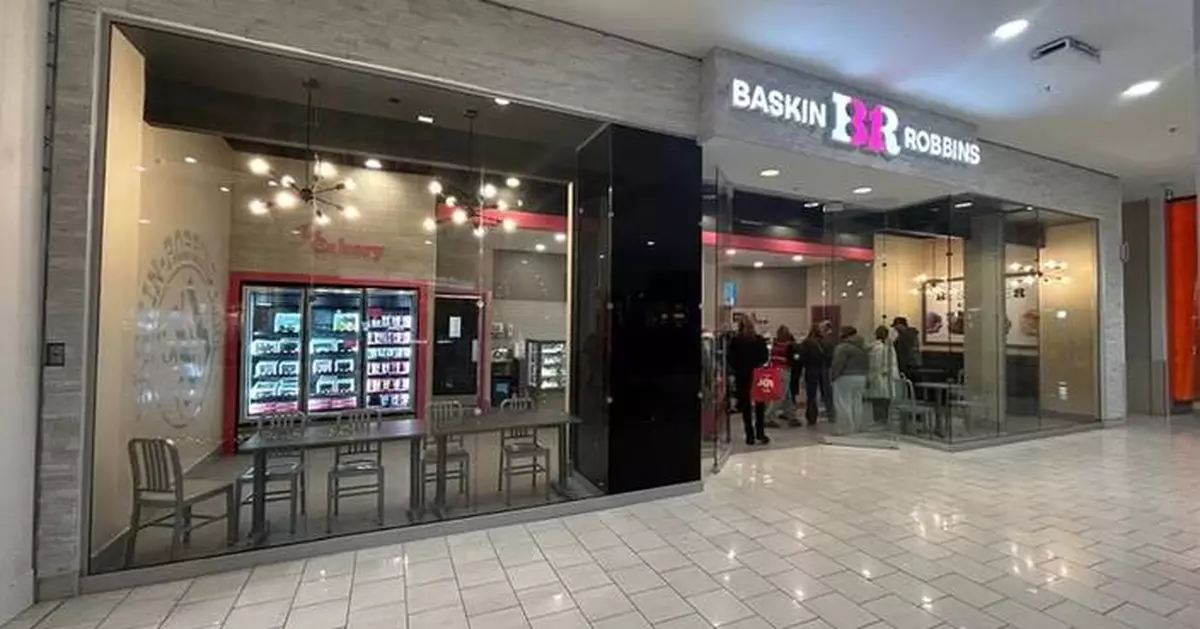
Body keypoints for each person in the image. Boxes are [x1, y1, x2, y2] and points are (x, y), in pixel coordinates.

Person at [727, 317, 771, 446]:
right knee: (760, 405)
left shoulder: (736, 341)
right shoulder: (758, 340)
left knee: (745, 405)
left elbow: (730, 358)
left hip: (742, 375)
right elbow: (765, 357)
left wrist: (738, 368)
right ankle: (760, 433)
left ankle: (749, 435)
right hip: (757, 374)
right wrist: (757, 364)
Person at [830, 326, 869, 436]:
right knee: (857, 403)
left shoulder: (842, 347)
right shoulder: (863, 347)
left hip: (845, 377)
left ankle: (845, 428)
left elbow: (837, 364)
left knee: (843, 402)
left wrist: (833, 377)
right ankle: (857, 427)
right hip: (861, 377)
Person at [796, 324, 835, 426]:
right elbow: (831, 356)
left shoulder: (807, 342)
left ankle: (812, 417)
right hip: (824, 368)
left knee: (811, 394)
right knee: (826, 392)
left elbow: (802, 357)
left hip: (811, 368)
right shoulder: (827, 342)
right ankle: (831, 414)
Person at [866, 325, 900, 425]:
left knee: (878, 399)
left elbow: (876, 363)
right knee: (884, 398)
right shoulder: (888, 348)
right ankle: (883, 419)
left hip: (880, 375)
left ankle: (878, 419)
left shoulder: (878, 348)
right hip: (885, 376)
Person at [767, 325, 798, 427]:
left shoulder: (774, 344)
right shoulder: (789, 346)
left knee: (787, 395)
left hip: (775, 370)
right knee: (780, 395)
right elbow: (794, 359)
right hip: (784, 371)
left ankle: (791, 416)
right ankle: (767, 417)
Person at [892, 317, 921, 382]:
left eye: (896, 326)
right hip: (913, 364)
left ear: (901, 325)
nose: (895, 328)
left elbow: (903, 352)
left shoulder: (904, 336)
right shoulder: (911, 334)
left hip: (908, 365)